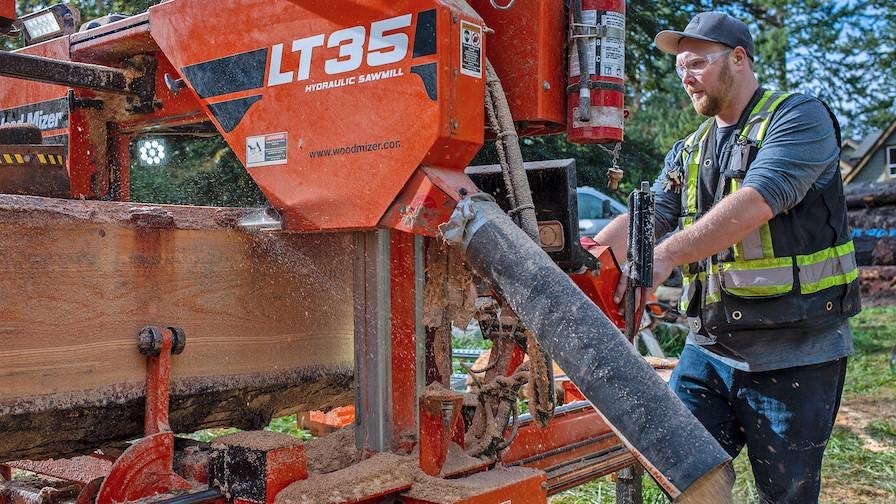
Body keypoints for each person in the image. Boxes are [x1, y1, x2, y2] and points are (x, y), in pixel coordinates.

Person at [594, 12, 861, 503]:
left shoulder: (798, 117)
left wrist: (666, 255)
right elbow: (650, 216)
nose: (686, 78)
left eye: (696, 63)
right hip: (709, 350)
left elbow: (763, 196)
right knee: (683, 476)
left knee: (785, 494)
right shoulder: (691, 147)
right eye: (680, 70)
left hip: (795, 353)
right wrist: (589, 257)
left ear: (738, 58)